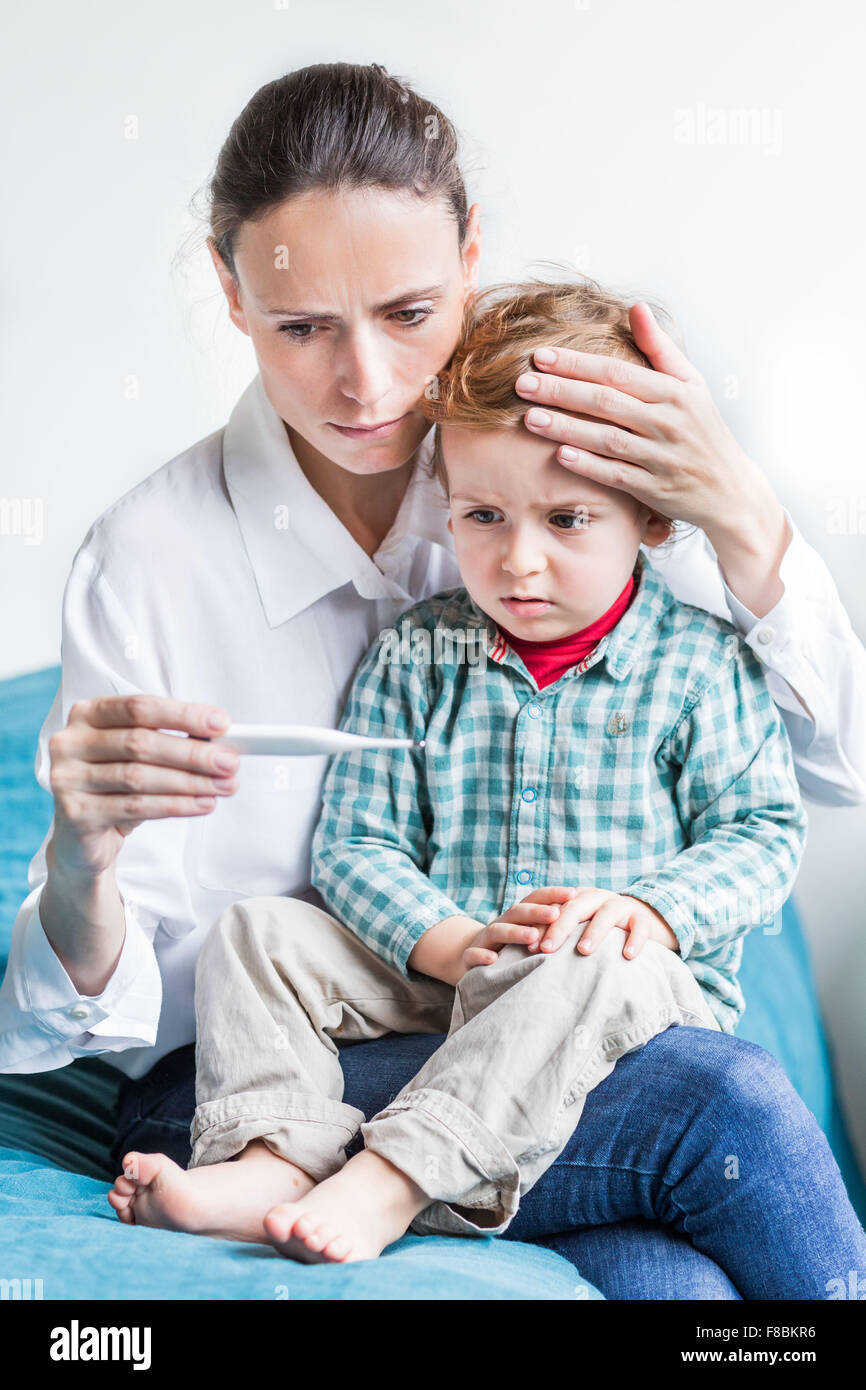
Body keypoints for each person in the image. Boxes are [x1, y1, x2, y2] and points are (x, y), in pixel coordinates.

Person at [1, 62, 864, 1299]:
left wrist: (734, 506)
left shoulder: (538, 462)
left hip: (551, 1024)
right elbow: (81, 1018)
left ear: (470, 256)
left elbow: (828, 776)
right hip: (274, 1061)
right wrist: (82, 859)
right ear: (229, 290)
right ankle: (319, 1170)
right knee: (717, 1103)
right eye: (302, 326)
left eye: (408, 313)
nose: (364, 385)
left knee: (676, 1289)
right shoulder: (150, 557)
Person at [107, 278, 811, 1273]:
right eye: (481, 515)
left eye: (565, 520)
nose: (516, 562)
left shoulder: (698, 664)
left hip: (613, 990)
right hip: (457, 972)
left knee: (585, 953)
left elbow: (761, 832)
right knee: (259, 930)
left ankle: (391, 1176)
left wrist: (649, 912)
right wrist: (449, 943)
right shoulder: (418, 654)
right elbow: (357, 843)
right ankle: (268, 1151)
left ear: (649, 516)